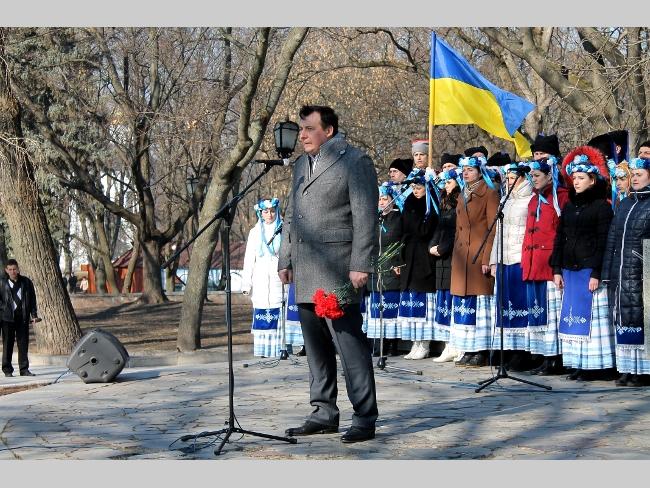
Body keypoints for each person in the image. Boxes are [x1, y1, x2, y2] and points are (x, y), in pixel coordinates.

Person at [278, 105, 378, 443]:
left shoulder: (355, 161)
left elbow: (366, 216)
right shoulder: (301, 164)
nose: (302, 135)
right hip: (305, 268)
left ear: (329, 130)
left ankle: (364, 417)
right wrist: (284, 258)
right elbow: (290, 214)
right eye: (301, 129)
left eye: (309, 128)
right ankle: (323, 412)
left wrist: (361, 264)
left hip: (338, 269)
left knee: (350, 347)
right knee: (316, 348)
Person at [550, 145, 616, 381]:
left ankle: (596, 366)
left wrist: (597, 272)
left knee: (592, 321)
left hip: (589, 270)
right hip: (570, 269)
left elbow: (604, 241)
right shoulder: (569, 206)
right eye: (574, 178)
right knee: (572, 318)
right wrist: (556, 268)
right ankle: (578, 363)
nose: (576, 182)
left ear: (592, 180)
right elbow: (560, 237)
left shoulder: (602, 207)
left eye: (581, 178)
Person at [602, 157, 650, 386]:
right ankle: (628, 368)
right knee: (624, 318)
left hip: (642, 271)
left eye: (640, 175)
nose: (635, 179)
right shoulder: (625, 204)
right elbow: (612, 239)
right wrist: (607, 273)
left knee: (641, 318)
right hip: (621, 269)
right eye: (634, 175)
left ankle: (644, 371)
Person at [521, 153, 570, 375]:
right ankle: (542, 355)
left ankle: (555, 358)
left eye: (537, 175)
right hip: (533, 264)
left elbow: (561, 232)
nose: (533, 179)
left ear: (550, 176)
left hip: (548, 264)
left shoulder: (560, 198)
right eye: (531, 175)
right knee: (537, 312)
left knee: (551, 314)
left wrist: (558, 263)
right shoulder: (533, 199)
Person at [449, 154, 499, 367]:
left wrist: (487, 257)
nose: (466, 173)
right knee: (464, 306)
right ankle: (468, 348)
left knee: (479, 305)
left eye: (470, 169)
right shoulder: (463, 193)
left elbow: (493, 227)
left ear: (480, 171)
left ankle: (482, 350)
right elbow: (458, 228)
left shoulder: (489, 192)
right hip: (463, 256)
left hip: (479, 254)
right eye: (464, 170)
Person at [488, 162, 535, 371]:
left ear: (523, 178)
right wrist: (493, 259)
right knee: (505, 307)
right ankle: (507, 349)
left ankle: (522, 353)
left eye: (513, 178)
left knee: (520, 306)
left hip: (519, 258)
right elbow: (498, 232)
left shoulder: (530, 199)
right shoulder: (505, 200)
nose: (508, 181)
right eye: (507, 178)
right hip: (504, 259)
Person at [242, 198, 294, 358]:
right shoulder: (254, 232)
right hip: (260, 278)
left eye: (272, 211)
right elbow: (249, 258)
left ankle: (281, 349)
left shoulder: (284, 229)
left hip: (279, 276)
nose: (269, 215)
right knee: (262, 309)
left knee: (279, 310)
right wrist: (246, 282)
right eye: (266, 212)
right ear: (260, 213)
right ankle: (263, 351)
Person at [398, 169, 438, 360]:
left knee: (422, 302)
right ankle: (415, 341)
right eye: (413, 187)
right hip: (409, 256)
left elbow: (424, 230)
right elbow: (404, 229)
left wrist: (414, 217)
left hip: (423, 258)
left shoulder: (430, 205)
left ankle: (425, 343)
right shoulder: (409, 202)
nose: (415, 190)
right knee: (411, 301)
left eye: (419, 187)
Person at [363, 183, 404, 357]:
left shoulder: (398, 218)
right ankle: (378, 342)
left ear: (392, 200)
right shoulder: (374, 218)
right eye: (379, 199)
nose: (381, 202)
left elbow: (401, 241)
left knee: (390, 305)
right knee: (376, 305)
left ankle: (392, 343)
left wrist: (399, 262)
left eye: (385, 199)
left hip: (391, 264)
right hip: (375, 264)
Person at [429, 168, 461, 362]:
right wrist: (431, 246)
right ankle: (447, 343)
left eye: (449, 182)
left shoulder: (458, 203)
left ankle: (454, 345)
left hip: (451, 257)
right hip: (441, 257)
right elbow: (439, 228)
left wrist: (441, 248)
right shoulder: (445, 204)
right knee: (443, 302)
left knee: (451, 301)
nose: (445, 185)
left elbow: (454, 230)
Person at [1, 259, 37, 377]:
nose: (12, 272)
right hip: (7, 319)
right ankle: (7, 370)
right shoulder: (2, 283)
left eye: (14, 269)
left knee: (23, 344)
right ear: (6, 270)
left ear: (18, 269)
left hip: (23, 318)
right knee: (8, 344)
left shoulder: (26, 282)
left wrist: (34, 315)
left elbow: (32, 299)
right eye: (10, 269)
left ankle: (24, 369)